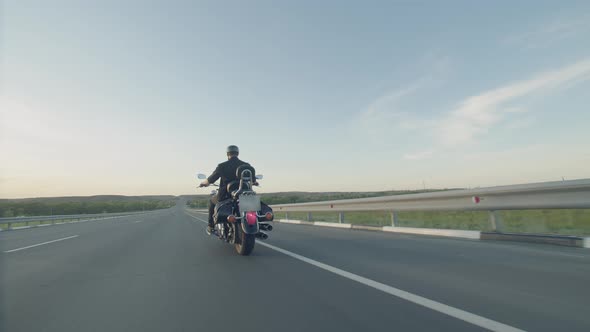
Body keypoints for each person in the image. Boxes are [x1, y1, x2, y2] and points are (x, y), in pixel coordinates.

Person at [199, 145, 252, 234]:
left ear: (227, 154)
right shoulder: (246, 165)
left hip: (225, 195)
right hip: (243, 194)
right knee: (251, 205)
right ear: (237, 153)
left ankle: (210, 225)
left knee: (212, 201)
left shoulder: (222, 166)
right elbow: (252, 179)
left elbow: (210, 179)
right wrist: (254, 182)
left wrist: (203, 183)